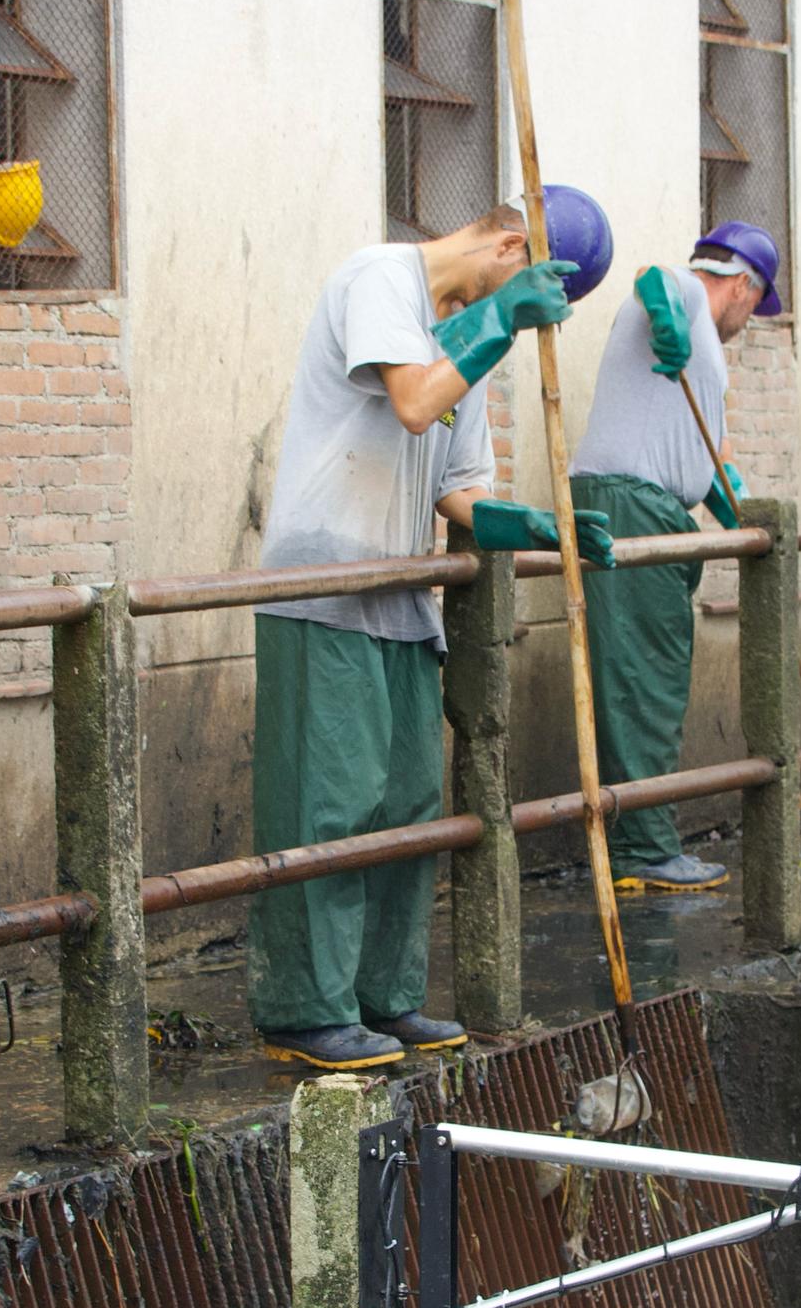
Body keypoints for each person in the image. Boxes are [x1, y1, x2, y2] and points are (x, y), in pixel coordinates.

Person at [247, 190, 610, 1072]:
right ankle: (305, 1007)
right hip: (325, 582)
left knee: (407, 798)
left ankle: (383, 994)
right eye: (537, 291)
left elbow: (460, 489)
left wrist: (536, 526)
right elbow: (413, 400)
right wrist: (498, 323)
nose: (528, 320)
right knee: (332, 801)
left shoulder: (477, 342)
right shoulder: (380, 278)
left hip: (404, 591)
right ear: (511, 247)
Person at [566, 220, 777, 893]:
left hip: (651, 503)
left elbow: (706, 463)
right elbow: (652, 278)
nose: (752, 317)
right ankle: (645, 848)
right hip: (631, 500)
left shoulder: (703, 352)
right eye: (757, 302)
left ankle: (641, 838)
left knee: (647, 676)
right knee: (642, 684)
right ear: (743, 284)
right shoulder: (689, 296)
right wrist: (667, 321)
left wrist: (745, 520)